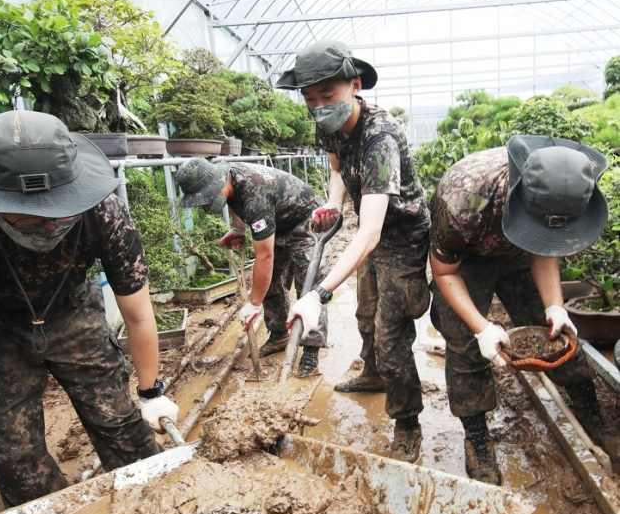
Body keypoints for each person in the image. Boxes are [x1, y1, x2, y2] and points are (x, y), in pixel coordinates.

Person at [0, 110, 179, 509]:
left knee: (118, 419)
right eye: (30, 216)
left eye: (58, 210)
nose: (49, 225)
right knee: (14, 452)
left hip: (71, 312)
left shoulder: (104, 214)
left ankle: (155, 509)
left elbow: (137, 314)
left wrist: (151, 392)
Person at [276, 40, 431, 462]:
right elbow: (338, 170)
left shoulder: (381, 135)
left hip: (400, 233)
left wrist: (318, 293)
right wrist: (332, 202)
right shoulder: (325, 124)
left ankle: (407, 423)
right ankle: (373, 374)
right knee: (365, 313)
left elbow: (370, 234)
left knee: (390, 331)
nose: (320, 105)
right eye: (310, 99)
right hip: (371, 223)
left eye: (328, 95)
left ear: (354, 85)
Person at [429, 135, 612, 484]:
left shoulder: (564, 186)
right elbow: (444, 271)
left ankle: (592, 414)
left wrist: (556, 306)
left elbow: (545, 244)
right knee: (465, 345)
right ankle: (478, 440)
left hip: (517, 250)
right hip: (465, 260)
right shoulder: (463, 203)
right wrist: (482, 327)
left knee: (556, 335)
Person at [175, 158, 329, 376]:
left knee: (310, 289)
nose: (205, 203)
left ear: (217, 183)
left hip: (306, 221)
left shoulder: (255, 197)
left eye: (207, 197)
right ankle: (279, 335)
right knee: (271, 282)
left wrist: (253, 304)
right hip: (277, 220)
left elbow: (264, 257)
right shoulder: (227, 176)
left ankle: (311, 350)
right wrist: (238, 229)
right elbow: (236, 201)